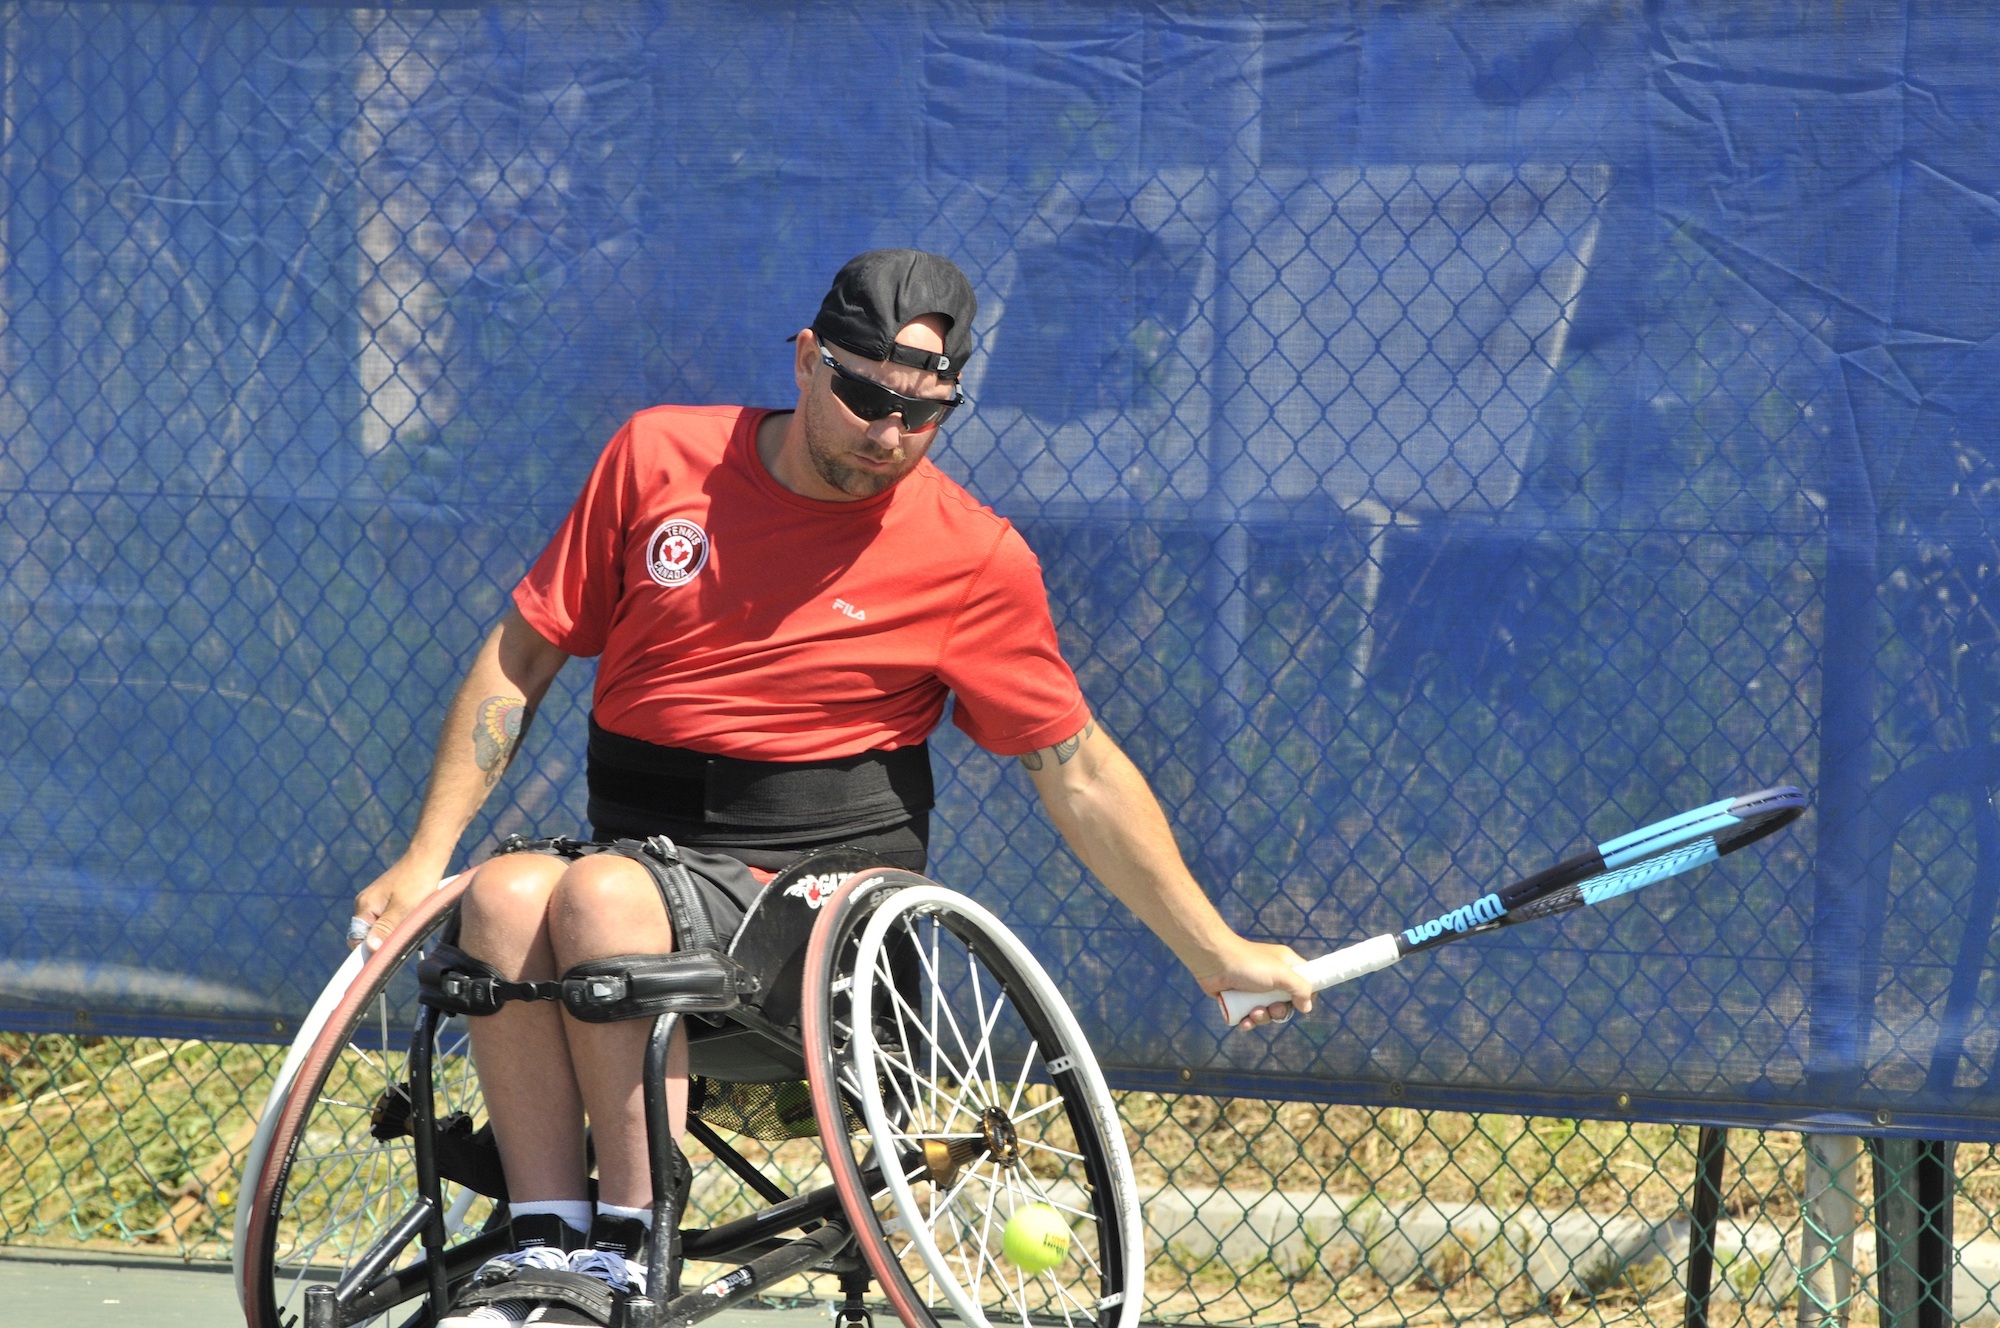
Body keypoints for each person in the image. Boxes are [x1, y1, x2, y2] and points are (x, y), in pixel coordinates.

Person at [350, 248, 1313, 1326]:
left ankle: (624, 1250)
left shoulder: (971, 555)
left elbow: (1078, 769)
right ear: (807, 360)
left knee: (594, 896)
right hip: (642, 864)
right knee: (499, 896)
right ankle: (543, 1238)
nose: (888, 433)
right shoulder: (656, 456)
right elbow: (518, 659)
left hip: (815, 910)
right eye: (864, 396)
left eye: (924, 411)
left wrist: (1213, 950)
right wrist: (424, 856)